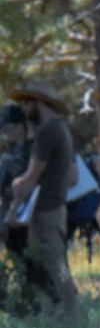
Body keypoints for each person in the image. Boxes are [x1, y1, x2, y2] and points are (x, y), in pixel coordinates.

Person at [6, 80, 78, 313]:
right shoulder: (60, 129)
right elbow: (72, 177)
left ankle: (70, 315)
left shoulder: (47, 134)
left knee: (54, 266)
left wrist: (14, 205)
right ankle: (60, 313)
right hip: (55, 207)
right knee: (52, 264)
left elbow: (30, 176)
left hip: (45, 210)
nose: (25, 109)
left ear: (41, 102)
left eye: (28, 103)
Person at [0, 103, 29, 259]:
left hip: (28, 213)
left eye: (8, 127)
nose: (5, 132)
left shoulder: (31, 149)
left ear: (20, 126)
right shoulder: (11, 150)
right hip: (11, 211)